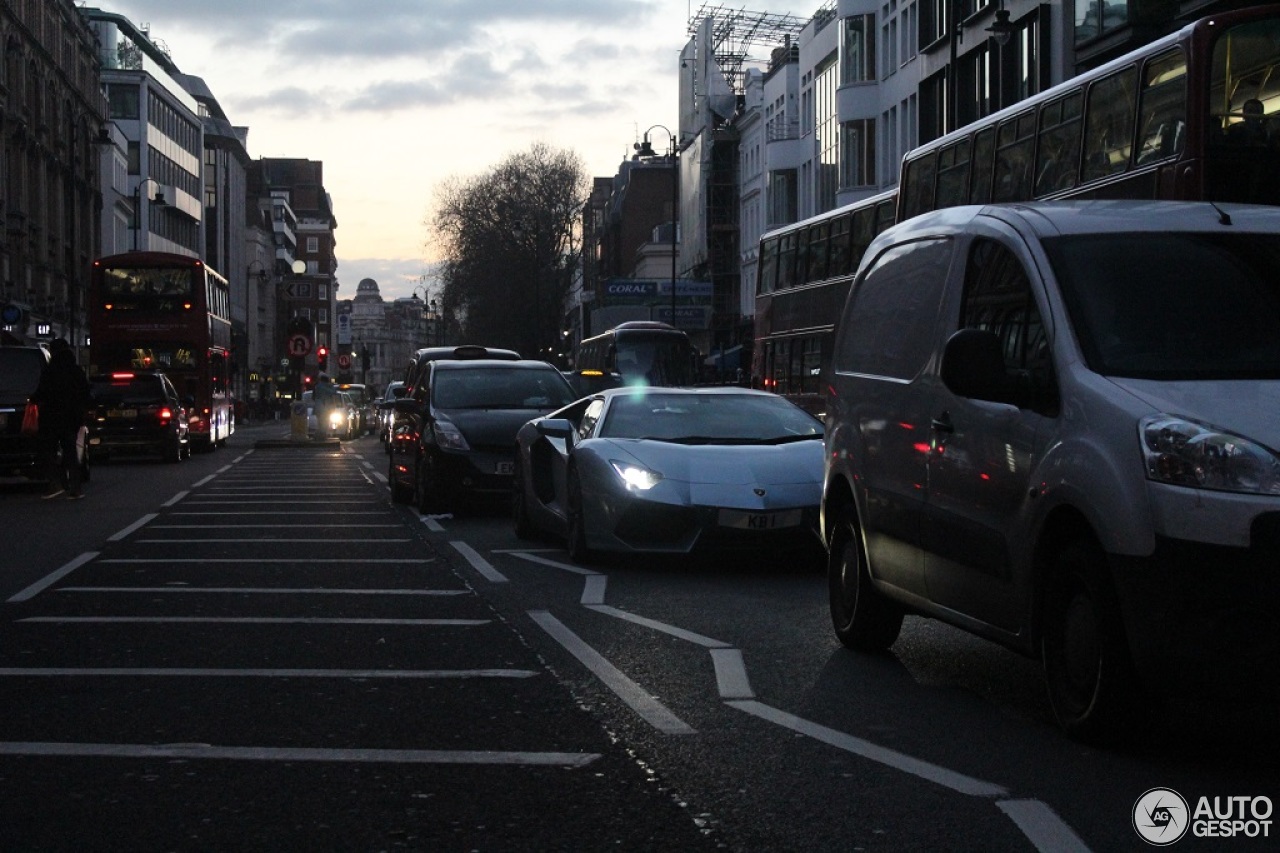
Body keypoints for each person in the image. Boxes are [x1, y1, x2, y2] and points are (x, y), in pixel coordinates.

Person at [30, 338, 90, 499]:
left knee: (48, 450)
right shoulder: (76, 370)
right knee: (70, 451)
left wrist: (33, 399)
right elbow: (86, 393)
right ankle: (75, 487)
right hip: (71, 418)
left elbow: (41, 392)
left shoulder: (50, 370)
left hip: (51, 417)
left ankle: (55, 483)